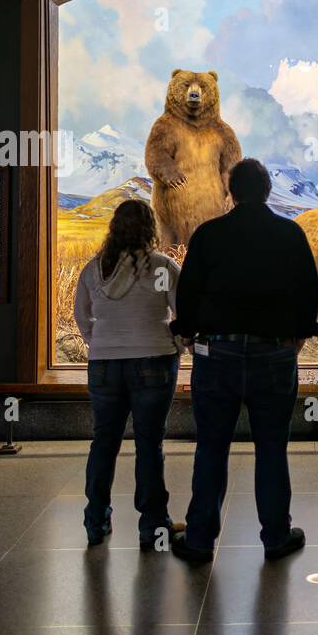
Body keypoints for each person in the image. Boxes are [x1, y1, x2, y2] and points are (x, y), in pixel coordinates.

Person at [169, 158, 318, 563]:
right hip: (274, 355)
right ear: (268, 191)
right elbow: (309, 290)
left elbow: (189, 290)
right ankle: (275, 536)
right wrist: (299, 335)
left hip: (216, 354)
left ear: (231, 192)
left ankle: (199, 539)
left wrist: (186, 330)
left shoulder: (209, 235)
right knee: (272, 448)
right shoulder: (289, 234)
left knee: (211, 447)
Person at [72, 199, 183, 548]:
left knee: (104, 441)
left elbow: (82, 316)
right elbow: (183, 315)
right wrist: (175, 344)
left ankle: (95, 519)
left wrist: (100, 343)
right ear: (150, 228)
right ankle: (152, 525)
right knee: (150, 444)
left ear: (114, 228)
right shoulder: (164, 266)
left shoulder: (94, 269)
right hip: (153, 360)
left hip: (104, 365)